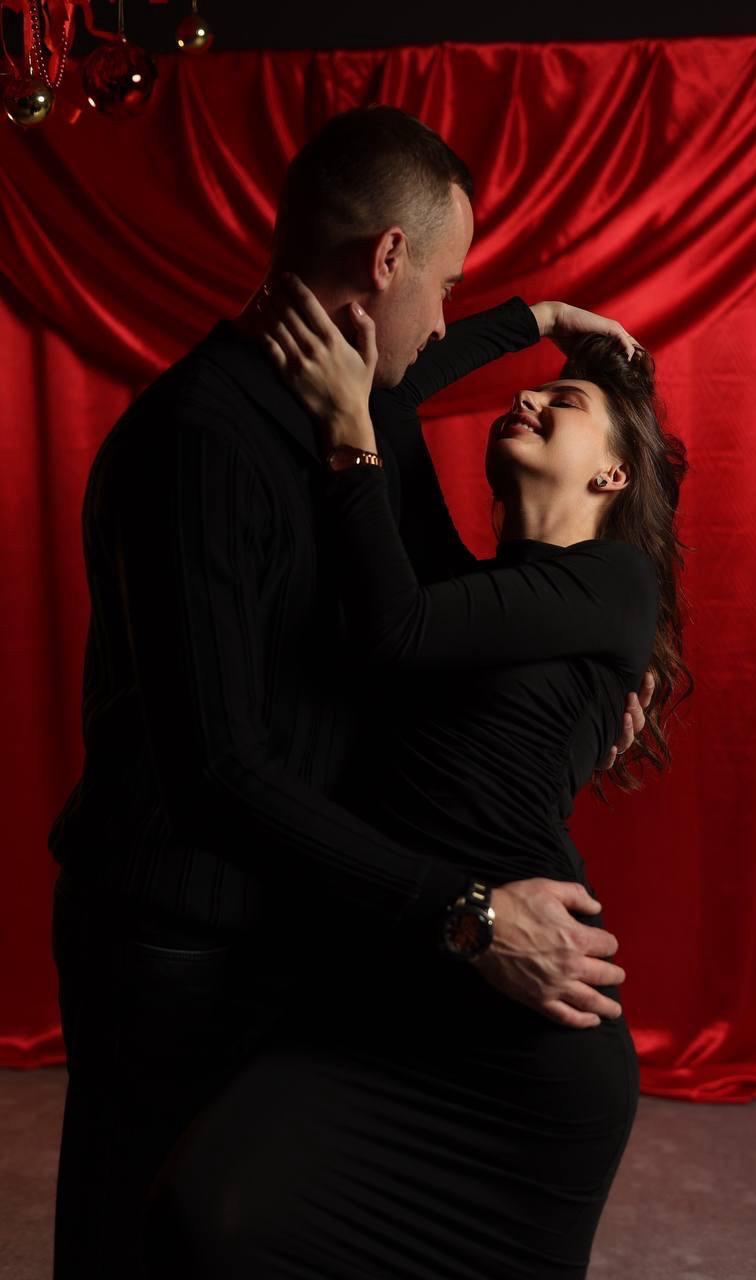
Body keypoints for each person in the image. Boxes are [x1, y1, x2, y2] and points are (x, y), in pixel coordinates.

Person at [48, 105, 652, 1279]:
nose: (444, 319)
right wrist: (469, 912)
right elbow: (217, 772)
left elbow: (413, 392)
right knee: (141, 1243)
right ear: (386, 260)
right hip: (175, 940)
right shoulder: (204, 440)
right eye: (447, 285)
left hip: (296, 925)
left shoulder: (350, 418)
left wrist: (531, 321)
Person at [139, 278, 690, 1279]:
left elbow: (390, 624)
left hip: (518, 1027)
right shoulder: (461, 588)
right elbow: (393, 390)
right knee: (208, 1208)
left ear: (613, 473)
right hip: (394, 976)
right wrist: (540, 320)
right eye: (531, 390)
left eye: (562, 401)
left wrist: (349, 440)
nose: (526, 397)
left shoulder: (615, 584)